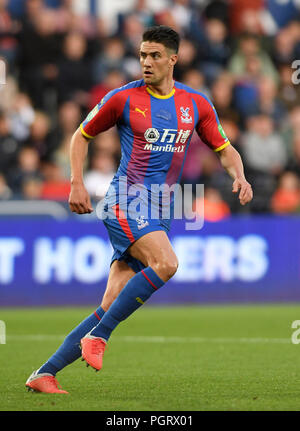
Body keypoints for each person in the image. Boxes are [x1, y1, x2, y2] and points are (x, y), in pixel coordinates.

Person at [25, 25, 253, 394]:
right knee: (167, 264)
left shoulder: (195, 104)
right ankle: (100, 338)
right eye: (143, 55)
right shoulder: (124, 98)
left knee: (111, 302)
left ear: (173, 60)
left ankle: (44, 373)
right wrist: (77, 183)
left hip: (159, 207)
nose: (146, 62)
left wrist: (239, 176)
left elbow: (224, 149)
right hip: (125, 201)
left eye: (155, 56)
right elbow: (80, 136)